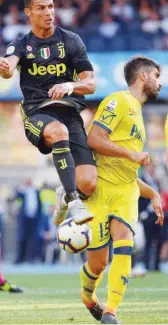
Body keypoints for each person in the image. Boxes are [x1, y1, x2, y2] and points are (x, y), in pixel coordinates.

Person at [79, 56, 164, 324]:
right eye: (156, 76)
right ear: (143, 76)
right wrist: (132, 154)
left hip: (126, 192)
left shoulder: (137, 113)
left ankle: (111, 311)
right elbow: (94, 139)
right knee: (98, 264)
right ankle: (88, 295)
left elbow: (126, 171)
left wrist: (153, 194)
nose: (159, 83)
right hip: (102, 189)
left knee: (125, 243)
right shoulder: (118, 101)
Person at [0, 0, 97, 227]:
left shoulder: (71, 40)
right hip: (37, 112)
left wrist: (70, 86)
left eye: (51, 6)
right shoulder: (21, 45)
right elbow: (9, 67)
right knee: (58, 131)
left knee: (89, 184)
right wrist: (5, 68)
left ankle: (66, 192)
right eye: (41, 8)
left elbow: (91, 84)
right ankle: (74, 204)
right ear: (28, 12)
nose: (48, 12)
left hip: (70, 113)